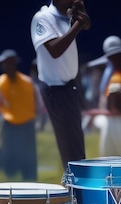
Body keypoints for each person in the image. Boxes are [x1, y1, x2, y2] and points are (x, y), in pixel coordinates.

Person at [31, 0, 90, 169]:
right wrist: (77, 25)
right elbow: (55, 50)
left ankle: (75, 189)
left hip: (69, 87)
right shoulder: (43, 17)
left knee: (76, 148)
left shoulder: (67, 18)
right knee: (72, 152)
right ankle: (74, 190)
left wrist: (79, 19)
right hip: (56, 89)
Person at [0, 49, 43, 181]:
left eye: (6, 63)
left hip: (27, 125)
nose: (3, 66)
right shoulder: (1, 82)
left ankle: (30, 184)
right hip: (9, 126)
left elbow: (39, 104)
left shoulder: (27, 82)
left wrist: (40, 122)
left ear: (13, 63)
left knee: (28, 160)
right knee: (10, 160)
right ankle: (11, 184)